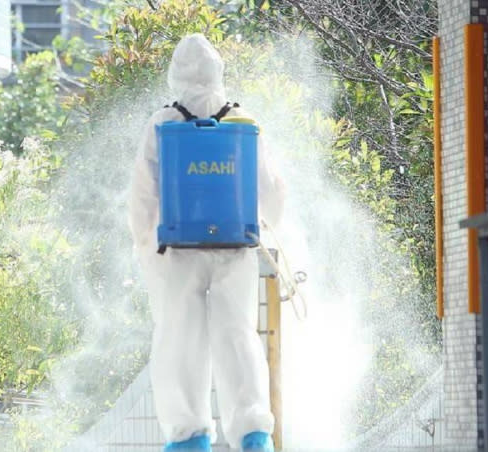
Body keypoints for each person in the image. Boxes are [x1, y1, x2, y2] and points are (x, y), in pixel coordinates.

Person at [128, 34, 286, 452]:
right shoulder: (242, 120)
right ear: (219, 71)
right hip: (235, 247)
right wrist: (263, 228)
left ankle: (189, 438)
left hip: (178, 252)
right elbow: (270, 192)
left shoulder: (163, 122)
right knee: (238, 335)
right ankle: (253, 435)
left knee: (180, 340)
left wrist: (147, 248)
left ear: (175, 74)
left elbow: (143, 198)